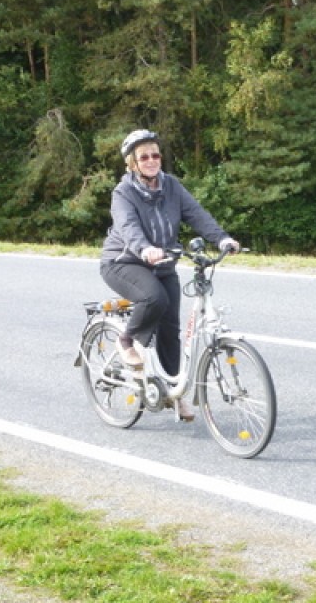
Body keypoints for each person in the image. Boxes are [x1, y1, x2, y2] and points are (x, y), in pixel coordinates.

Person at [100, 129, 240, 422]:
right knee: (154, 298)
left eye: (155, 155)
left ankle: (174, 395)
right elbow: (128, 227)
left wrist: (222, 238)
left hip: (162, 263)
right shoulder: (123, 193)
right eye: (144, 157)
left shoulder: (171, 186)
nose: (151, 160)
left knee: (170, 330)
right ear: (133, 163)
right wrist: (145, 248)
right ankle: (126, 340)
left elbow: (196, 214)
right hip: (123, 262)